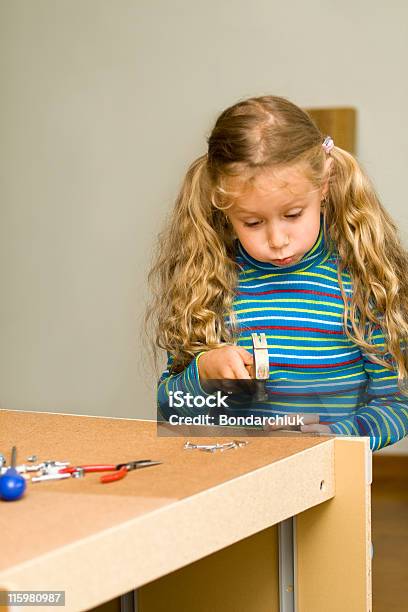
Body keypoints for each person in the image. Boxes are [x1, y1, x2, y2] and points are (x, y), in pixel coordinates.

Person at [144, 95, 408, 451]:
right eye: (252, 222)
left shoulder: (362, 280)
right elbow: (172, 410)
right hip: (233, 479)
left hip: (326, 485)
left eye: (293, 214)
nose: (278, 240)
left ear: (324, 186)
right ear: (224, 208)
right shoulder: (211, 283)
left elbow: (398, 404)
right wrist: (203, 372)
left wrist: (329, 440)